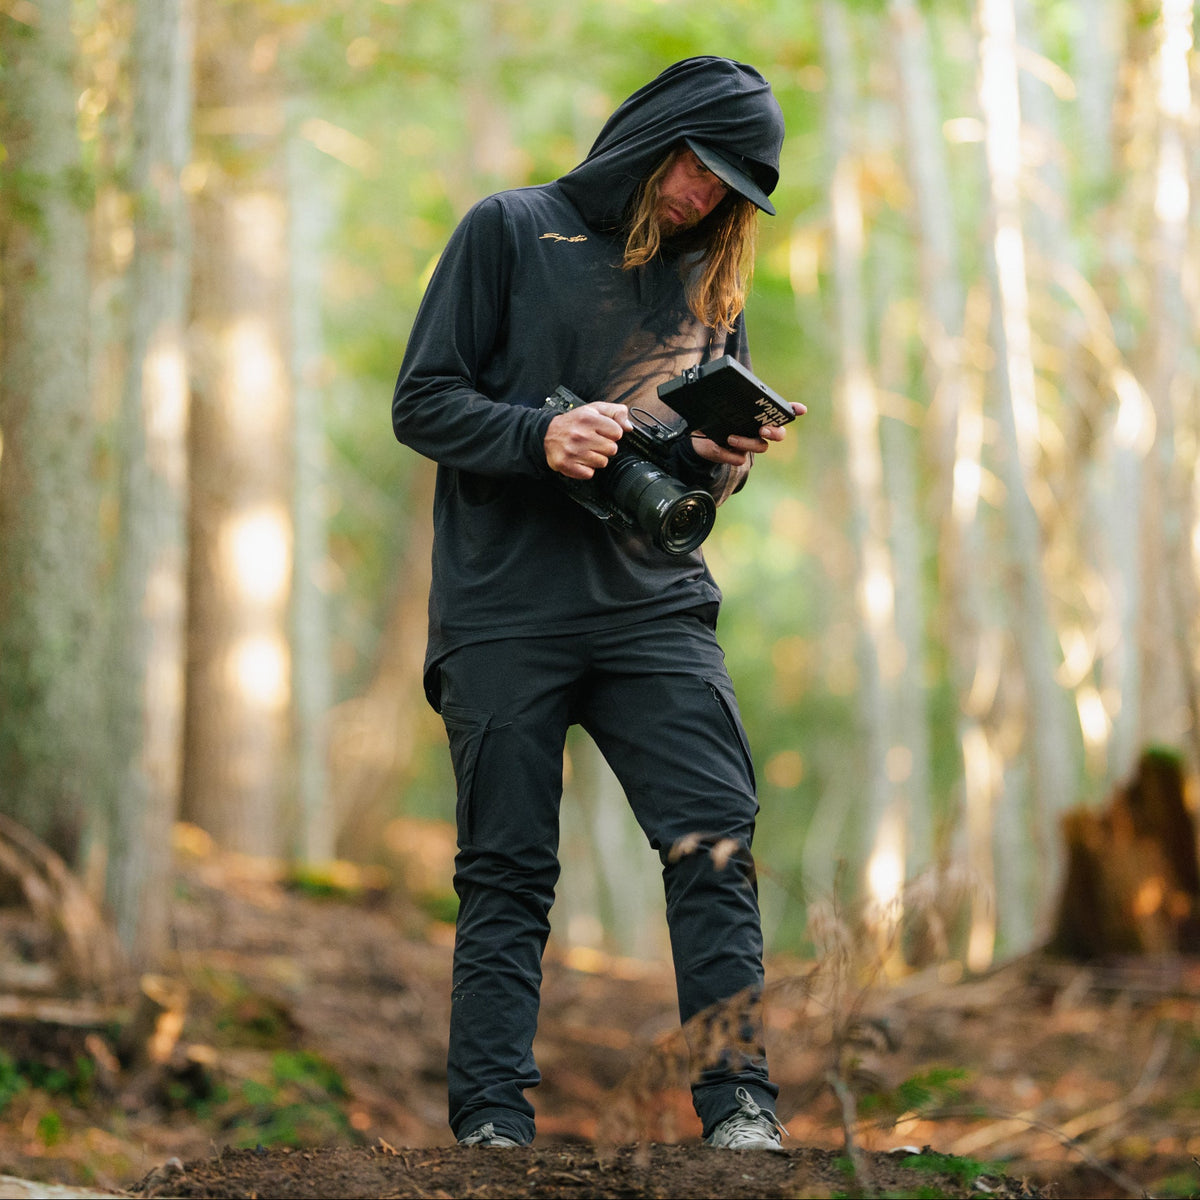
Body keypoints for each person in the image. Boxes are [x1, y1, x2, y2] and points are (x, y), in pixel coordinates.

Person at [392, 55, 802, 1152]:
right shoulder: (510, 230)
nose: (704, 197)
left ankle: (741, 1109)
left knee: (714, 839)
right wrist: (540, 434)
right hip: (502, 611)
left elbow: (692, 469)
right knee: (508, 872)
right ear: (656, 132)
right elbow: (422, 401)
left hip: (652, 608)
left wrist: (720, 456)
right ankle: (490, 1127)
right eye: (698, 168)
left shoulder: (713, 282)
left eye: (730, 190)